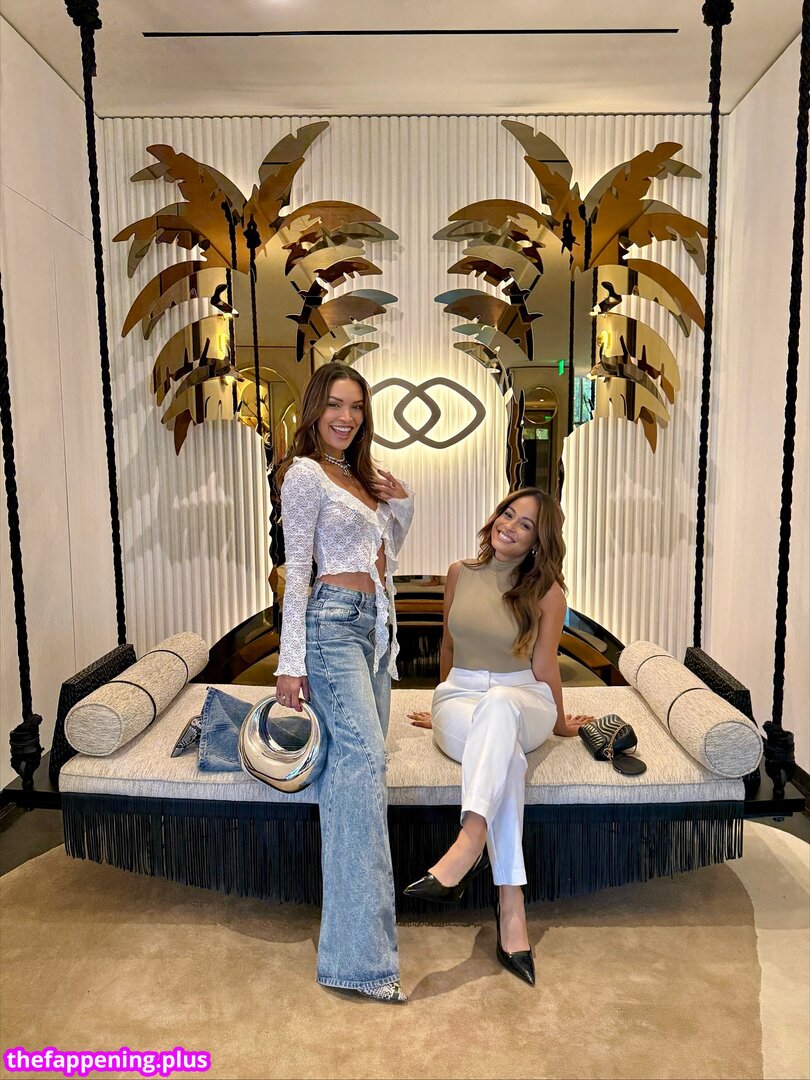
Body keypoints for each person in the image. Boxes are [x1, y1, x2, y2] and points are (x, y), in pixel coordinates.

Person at [405, 488, 592, 986]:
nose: (510, 525)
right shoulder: (459, 573)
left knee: (502, 704)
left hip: (524, 696)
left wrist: (559, 722)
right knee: (505, 756)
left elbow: (545, 665)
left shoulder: (547, 593)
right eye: (508, 514)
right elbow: (448, 647)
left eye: (525, 524)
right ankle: (511, 904)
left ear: (537, 541)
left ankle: (467, 845)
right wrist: (441, 706)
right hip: (461, 697)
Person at [275, 362, 414, 1004]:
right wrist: (290, 662)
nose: (346, 416)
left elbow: (388, 553)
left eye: (356, 406)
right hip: (331, 625)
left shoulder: (359, 478)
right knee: (363, 768)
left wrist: (400, 501)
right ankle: (364, 961)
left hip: (375, 629)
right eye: (335, 404)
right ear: (316, 408)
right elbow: (297, 571)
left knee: (350, 780)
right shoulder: (305, 474)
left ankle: (347, 951)